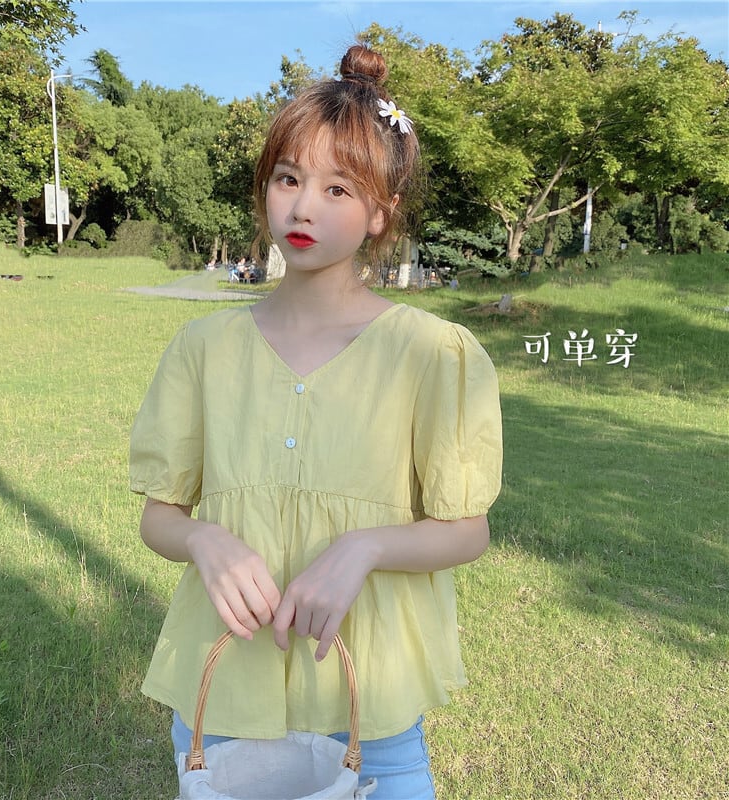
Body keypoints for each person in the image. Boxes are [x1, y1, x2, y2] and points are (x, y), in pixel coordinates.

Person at [129, 43, 502, 800]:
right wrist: (202, 539)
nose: (303, 207)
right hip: (224, 703)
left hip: (369, 711)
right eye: (288, 178)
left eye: (338, 189)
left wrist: (365, 546)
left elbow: (467, 531)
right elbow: (159, 517)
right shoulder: (203, 348)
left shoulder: (433, 352)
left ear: (380, 213)